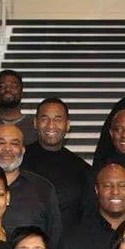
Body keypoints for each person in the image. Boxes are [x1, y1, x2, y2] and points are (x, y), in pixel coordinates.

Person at [21, 97, 90, 232]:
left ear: (67, 125)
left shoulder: (82, 169)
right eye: (44, 119)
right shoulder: (18, 160)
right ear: (35, 123)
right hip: (25, 239)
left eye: (58, 119)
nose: (51, 125)